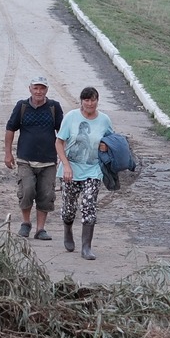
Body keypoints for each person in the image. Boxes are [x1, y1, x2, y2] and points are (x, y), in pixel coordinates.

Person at [3, 75, 65, 240]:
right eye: (36, 88)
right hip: (25, 159)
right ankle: (25, 223)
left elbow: (62, 132)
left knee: (46, 194)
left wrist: (64, 157)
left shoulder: (54, 107)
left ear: (46, 90)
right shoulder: (22, 106)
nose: (39, 91)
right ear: (30, 89)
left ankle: (40, 229)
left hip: (49, 160)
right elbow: (10, 129)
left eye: (42, 88)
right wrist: (8, 153)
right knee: (27, 190)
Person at [57, 85, 114, 259]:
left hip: (93, 170)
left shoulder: (104, 120)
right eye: (86, 100)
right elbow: (59, 142)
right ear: (81, 101)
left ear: (98, 100)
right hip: (71, 170)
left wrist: (106, 146)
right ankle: (68, 230)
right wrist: (66, 165)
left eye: (93, 100)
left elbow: (113, 140)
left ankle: (86, 247)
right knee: (69, 207)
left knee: (89, 205)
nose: (90, 103)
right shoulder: (71, 118)